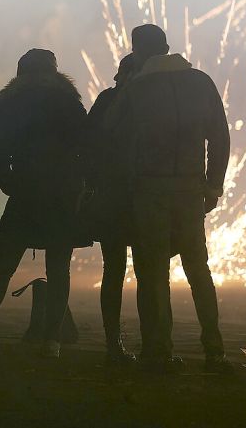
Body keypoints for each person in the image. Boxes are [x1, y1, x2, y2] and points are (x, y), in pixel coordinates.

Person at [103, 24, 233, 374]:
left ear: (138, 52)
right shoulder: (201, 82)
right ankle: (214, 348)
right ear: (168, 47)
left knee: (153, 272)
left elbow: (110, 130)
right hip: (191, 190)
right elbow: (219, 137)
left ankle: (158, 351)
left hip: (149, 191)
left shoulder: (139, 88)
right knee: (198, 268)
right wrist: (213, 185)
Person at [0, 49, 89, 359]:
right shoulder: (69, 105)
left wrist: (12, 186)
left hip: (25, 196)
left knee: (2, 266)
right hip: (61, 197)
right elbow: (86, 152)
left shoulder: (10, 106)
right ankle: (51, 341)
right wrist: (77, 188)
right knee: (59, 270)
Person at [84, 53, 141, 367]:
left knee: (114, 269)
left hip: (110, 197)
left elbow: (90, 142)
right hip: (138, 197)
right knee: (147, 270)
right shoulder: (145, 101)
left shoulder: (107, 99)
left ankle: (113, 341)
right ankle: (153, 344)